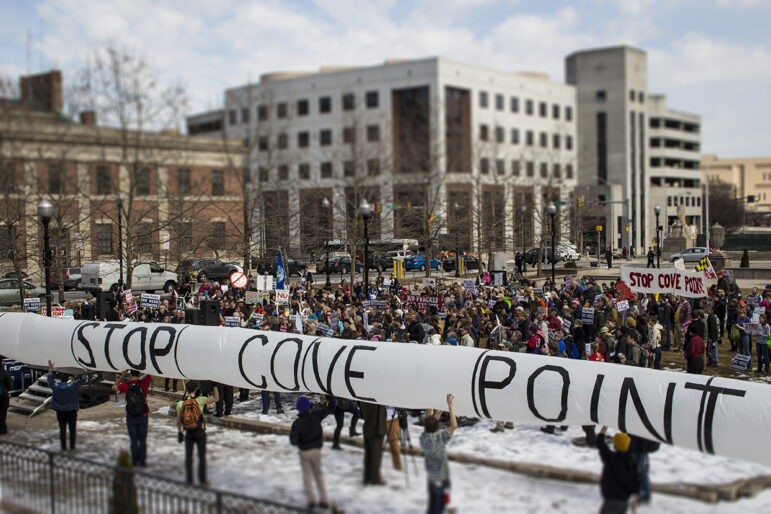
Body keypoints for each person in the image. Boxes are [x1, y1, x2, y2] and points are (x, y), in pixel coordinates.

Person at [289, 396, 330, 510]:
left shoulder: (297, 423)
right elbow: (330, 409)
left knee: (307, 476)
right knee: (319, 475)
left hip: (304, 452)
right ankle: (324, 499)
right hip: (316, 450)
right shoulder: (316, 416)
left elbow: (293, 441)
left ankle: (311, 500)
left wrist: (301, 441)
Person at [419, 394, 457, 514]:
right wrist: (450, 406)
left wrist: (437, 415)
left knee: (433, 505)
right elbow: (454, 425)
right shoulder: (440, 438)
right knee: (438, 507)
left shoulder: (423, 438)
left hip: (431, 477)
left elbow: (428, 425)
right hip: (441, 478)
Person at [176, 381, 219, 485]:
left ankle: (189, 479)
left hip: (188, 432)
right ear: (196, 389)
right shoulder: (200, 400)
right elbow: (216, 399)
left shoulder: (181, 404)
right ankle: (202, 479)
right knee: (201, 456)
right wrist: (215, 386)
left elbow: (178, 421)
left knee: (189, 457)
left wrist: (180, 432)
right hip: (200, 430)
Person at [112, 370, 153, 467]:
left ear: (130, 374)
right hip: (143, 415)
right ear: (139, 373)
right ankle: (142, 462)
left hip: (130, 416)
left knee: (133, 440)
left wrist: (122, 376)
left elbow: (113, 387)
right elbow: (149, 372)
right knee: (142, 440)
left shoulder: (126, 385)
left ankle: (134, 462)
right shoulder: (144, 383)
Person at [597, 426, 639, 514]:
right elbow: (636, 485)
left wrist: (604, 427)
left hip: (610, 500)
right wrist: (634, 505)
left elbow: (599, 443)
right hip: (623, 501)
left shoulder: (610, 458)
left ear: (615, 445)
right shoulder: (632, 462)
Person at [47, 360, 86, 452]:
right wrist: (85, 371)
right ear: (68, 378)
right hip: (71, 411)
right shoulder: (72, 387)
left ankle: (63, 447)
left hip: (60, 411)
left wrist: (50, 369)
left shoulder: (56, 387)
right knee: (72, 430)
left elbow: (50, 380)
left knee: (62, 430)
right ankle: (72, 447)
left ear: (60, 379)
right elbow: (83, 380)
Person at [360, 401, 387, 485]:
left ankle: (367, 477)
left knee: (369, 454)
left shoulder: (364, 399)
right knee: (376, 455)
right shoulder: (376, 400)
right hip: (376, 429)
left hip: (368, 428)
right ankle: (375, 479)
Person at [385, 406, 402, 471]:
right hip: (387, 417)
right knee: (394, 443)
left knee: (395, 442)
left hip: (394, 416)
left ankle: (398, 466)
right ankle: (398, 466)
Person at [0, 358, 11, 435]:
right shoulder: (3, 372)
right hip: (3, 395)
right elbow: (10, 385)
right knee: (2, 412)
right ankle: (2, 428)